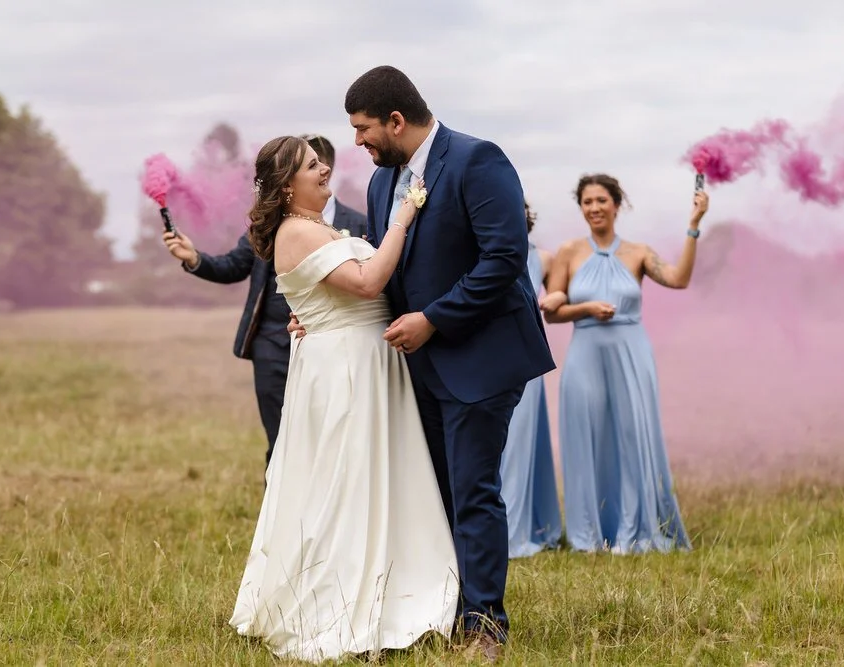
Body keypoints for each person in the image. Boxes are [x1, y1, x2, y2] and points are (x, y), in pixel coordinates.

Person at [291, 66, 555, 661]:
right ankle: (441, 609)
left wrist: (434, 318)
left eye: (361, 130)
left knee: (473, 490)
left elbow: (504, 258)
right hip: (419, 369)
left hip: (482, 358)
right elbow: (390, 276)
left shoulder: (477, 160)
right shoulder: (385, 186)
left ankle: (486, 624)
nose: (355, 143)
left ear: (395, 120)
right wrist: (321, 314)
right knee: (432, 494)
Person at [228, 136, 458, 664]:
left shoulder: (319, 227)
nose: (325, 167)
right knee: (347, 479)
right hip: (346, 370)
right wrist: (405, 213)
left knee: (378, 473)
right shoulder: (296, 231)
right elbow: (368, 279)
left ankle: (396, 578)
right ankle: (340, 594)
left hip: (365, 359)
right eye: (313, 165)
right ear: (287, 185)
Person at [162, 134, 366, 467]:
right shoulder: (267, 223)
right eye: (310, 164)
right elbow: (232, 267)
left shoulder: (357, 223)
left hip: (332, 346)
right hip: (272, 344)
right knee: (281, 443)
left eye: (318, 162)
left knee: (332, 442)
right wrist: (194, 257)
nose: (320, 169)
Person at [540, 173, 708, 554]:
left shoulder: (638, 253)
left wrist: (693, 226)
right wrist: (585, 308)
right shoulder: (569, 252)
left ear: (617, 205)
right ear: (581, 208)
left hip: (631, 354)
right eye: (587, 202)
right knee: (586, 436)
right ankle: (588, 533)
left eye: (601, 200)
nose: (594, 208)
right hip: (585, 354)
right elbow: (553, 311)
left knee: (633, 436)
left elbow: (679, 279)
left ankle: (635, 526)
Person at [499, 201, 562, 558]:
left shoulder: (546, 258)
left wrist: (557, 295)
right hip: (493, 349)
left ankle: (520, 528)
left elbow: (558, 292)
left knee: (522, 442)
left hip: (528, 351)